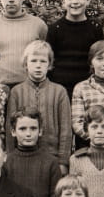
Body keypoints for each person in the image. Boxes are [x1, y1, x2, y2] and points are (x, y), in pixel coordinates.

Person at [5, 40, 72, 173]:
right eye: (33, 61)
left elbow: (66, 129)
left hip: (52, 157)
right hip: (22, 157)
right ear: (26, 64)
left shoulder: (59, 92)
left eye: (43, 61)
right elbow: (9, 127)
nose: (38, 66)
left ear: (49, 64)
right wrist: (11, 158)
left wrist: (63, 161)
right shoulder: (16, 92)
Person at [46, 0, 104, 100]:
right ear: (63, 2)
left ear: (88, 0)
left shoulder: (95, 28)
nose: (75, 1)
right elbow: (48, 62)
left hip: (88, 88)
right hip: (60, 88)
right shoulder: (54, 29)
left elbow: (99, 60)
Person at [4, 108, 62, 197]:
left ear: (40, 131)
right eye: (22, 129)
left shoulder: (51, 162)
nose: (28, 134)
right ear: (13, 132)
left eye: (33, 128)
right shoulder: (7, 162)